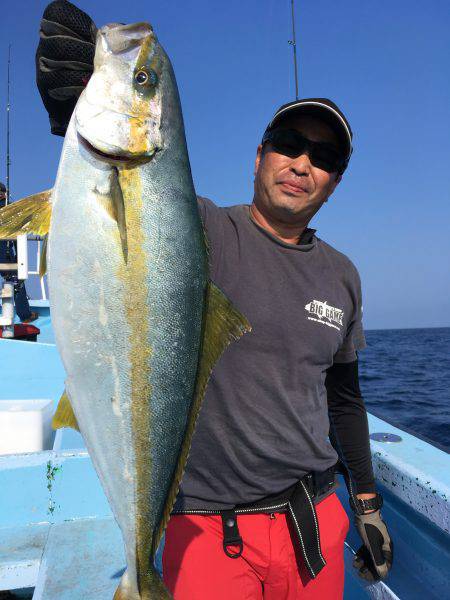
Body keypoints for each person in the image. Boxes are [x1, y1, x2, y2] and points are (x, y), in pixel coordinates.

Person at [35, 2, 393, 598]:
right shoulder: (201, 230)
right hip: (206, 527)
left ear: (335, 182)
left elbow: (344, 398)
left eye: (325, 158)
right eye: (288, 142)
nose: (302, 163)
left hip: (314, 522)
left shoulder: (343, 276)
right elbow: (137, 209)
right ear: (259, 156)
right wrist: (74, 108)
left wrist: (368, 504)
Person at [0, 183, 37, 324]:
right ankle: (25, 315)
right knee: (16, 280)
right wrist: (19, 258)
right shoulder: (11, 210)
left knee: (13, 278)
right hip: (4, 257)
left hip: (4, 255)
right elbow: (18, 235)